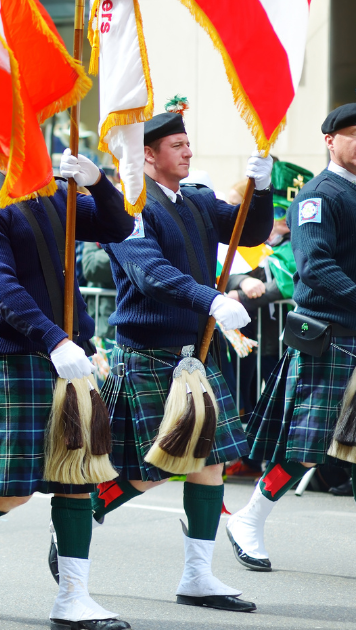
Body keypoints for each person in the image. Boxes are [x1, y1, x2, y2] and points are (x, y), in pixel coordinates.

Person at [0, 132, 134, 628]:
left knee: (80, 477)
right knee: (13, 487)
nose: (39, 147)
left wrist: (97, 182)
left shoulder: (57, 192)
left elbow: (118, 226)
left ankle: (73, 599)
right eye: (25, 140)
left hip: (70, 357)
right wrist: (55, 340)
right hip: (20, 359)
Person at [91, 104, 274, 612]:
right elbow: (150, 274)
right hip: (149, 350)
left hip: (194, 353)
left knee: (209, 463)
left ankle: (198, 576)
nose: (188, 150)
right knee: (153, 469)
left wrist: (261, 185)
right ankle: (80, 512)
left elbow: (248, 230)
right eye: (177, 145)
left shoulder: (193, 200)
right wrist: (212, 299)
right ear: (147, 154)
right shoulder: (128, 206)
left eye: (188, 143)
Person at [229, 103, 356, 570]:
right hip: (330, 335)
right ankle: (249, 518)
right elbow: (316, 268)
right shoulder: (317, 196)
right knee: (307, 447)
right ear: (330, 141)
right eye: (352, 133)